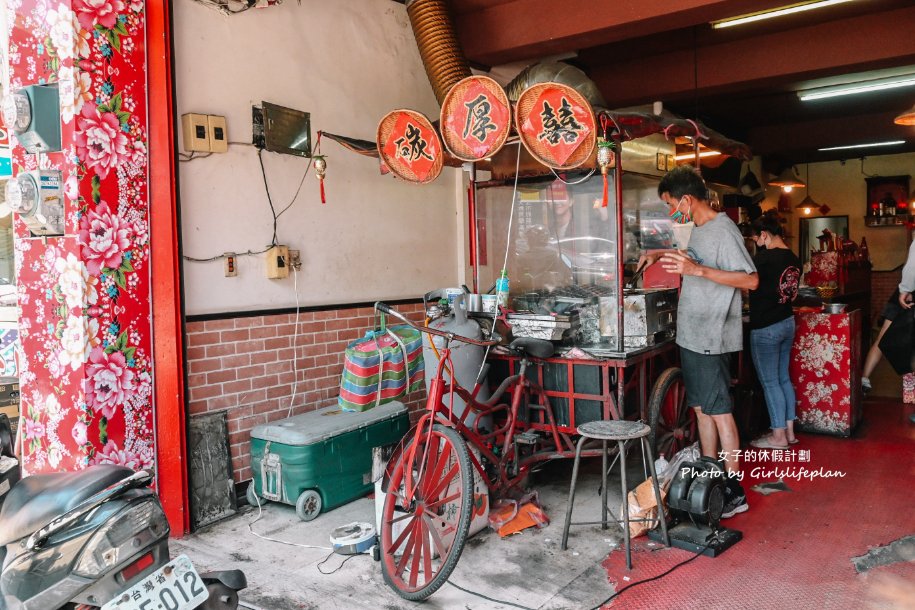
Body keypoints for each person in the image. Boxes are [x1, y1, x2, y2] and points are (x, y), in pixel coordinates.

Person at [640, 166, 758, 519]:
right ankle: (710, 476)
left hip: (712, 336)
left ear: (687, 200)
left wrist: (699, 272)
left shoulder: (723, 230)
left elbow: (751, 280)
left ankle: (735, 492)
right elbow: (688, 258)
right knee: (701, 409)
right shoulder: (696, 229)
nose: (670, 212)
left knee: (720, 412)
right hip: (692, 334)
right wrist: (658, 254)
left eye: (671, 204)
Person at [747, 216, 802, 449]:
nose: (757, 244)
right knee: (783, 378)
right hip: (787, 322)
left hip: (766, 327)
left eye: (757, 239)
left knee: (770, 382)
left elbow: (747, 283)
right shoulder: (794, 258)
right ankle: (789, 432)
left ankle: (778, 437)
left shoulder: (764, 259)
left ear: (765, 235)